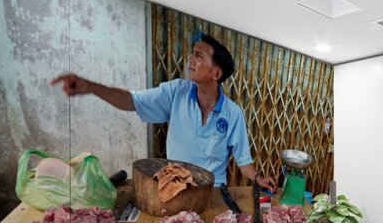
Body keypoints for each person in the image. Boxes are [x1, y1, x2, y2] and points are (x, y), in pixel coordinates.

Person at [50, 34, 277, 193]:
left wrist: (258, 178)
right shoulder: (176, 92)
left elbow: (243, 159)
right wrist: (91, 88)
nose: (191, 59)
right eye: (192, 53)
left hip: (213, 191)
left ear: (216, 73)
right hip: (174, 186)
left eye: (199, 56)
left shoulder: (233, 113)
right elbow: (132, 101)